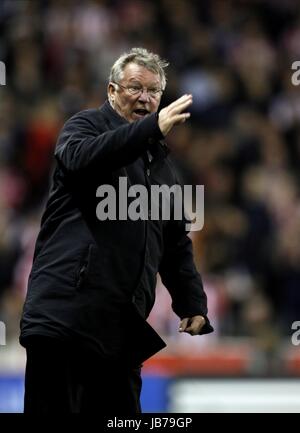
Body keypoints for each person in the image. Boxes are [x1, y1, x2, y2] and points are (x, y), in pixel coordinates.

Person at [19, 47, 213, 414]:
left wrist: (191, 301)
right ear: (111, 91)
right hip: (67, 317)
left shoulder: (163, 168)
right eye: (134, 87)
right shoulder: (84, 127)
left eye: (153, 91)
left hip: (121, 329)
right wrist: (149, 130)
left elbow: (174, 241)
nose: (145, 98)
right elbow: (84, 159)